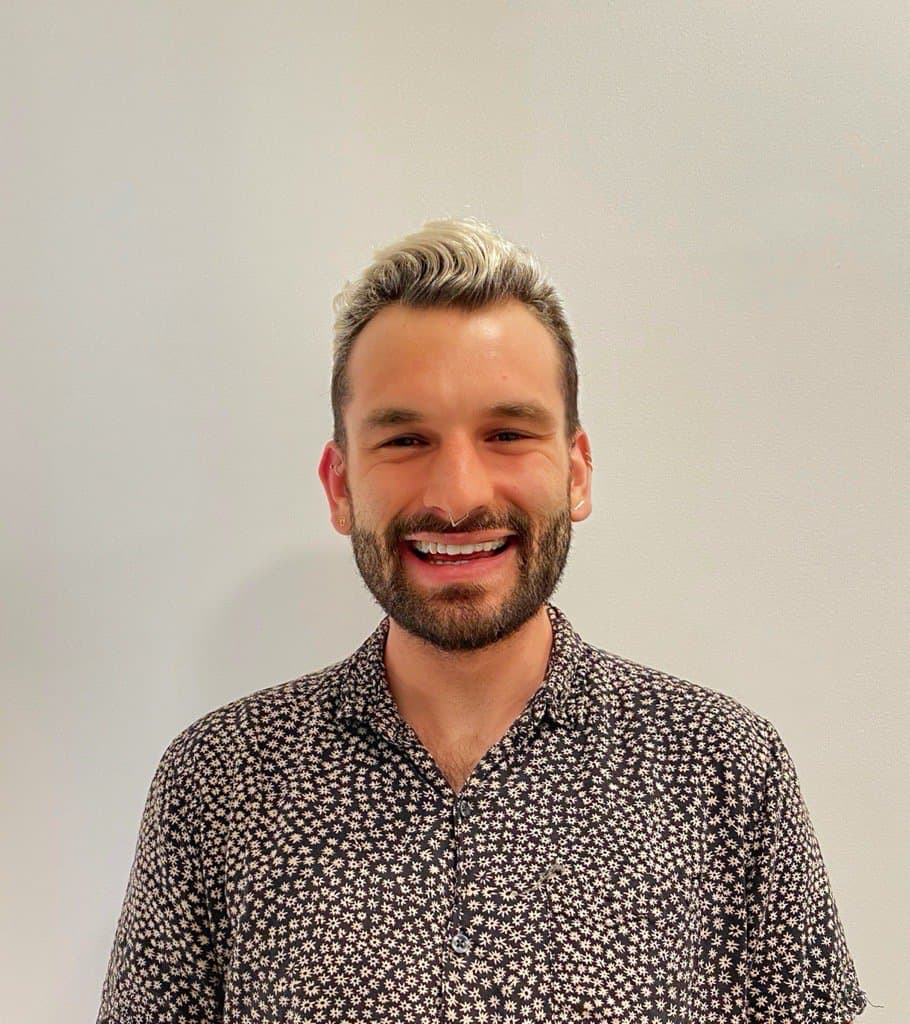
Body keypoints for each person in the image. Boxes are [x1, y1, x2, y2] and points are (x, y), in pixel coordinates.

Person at [97, 219, 869, 1023]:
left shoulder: (726, 772)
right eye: (405, 439)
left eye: (506, 434)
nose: (458, 495)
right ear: (339, 485)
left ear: (575, 472)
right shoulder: (218, 780)